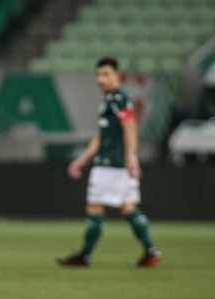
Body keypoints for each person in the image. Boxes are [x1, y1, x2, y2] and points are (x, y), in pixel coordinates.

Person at [57, 57, 160, 267]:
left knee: (95, 208)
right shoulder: (110, 100)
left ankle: (84, 256)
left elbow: (130, 125)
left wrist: (131, 156)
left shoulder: (118, 98)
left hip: (109, 164)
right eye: (98, 75)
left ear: (117, 76)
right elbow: (100, 137)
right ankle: (150, 251)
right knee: (128, 207)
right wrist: (82, 159)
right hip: (116, 164)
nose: (100, 79)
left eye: (106, 74)